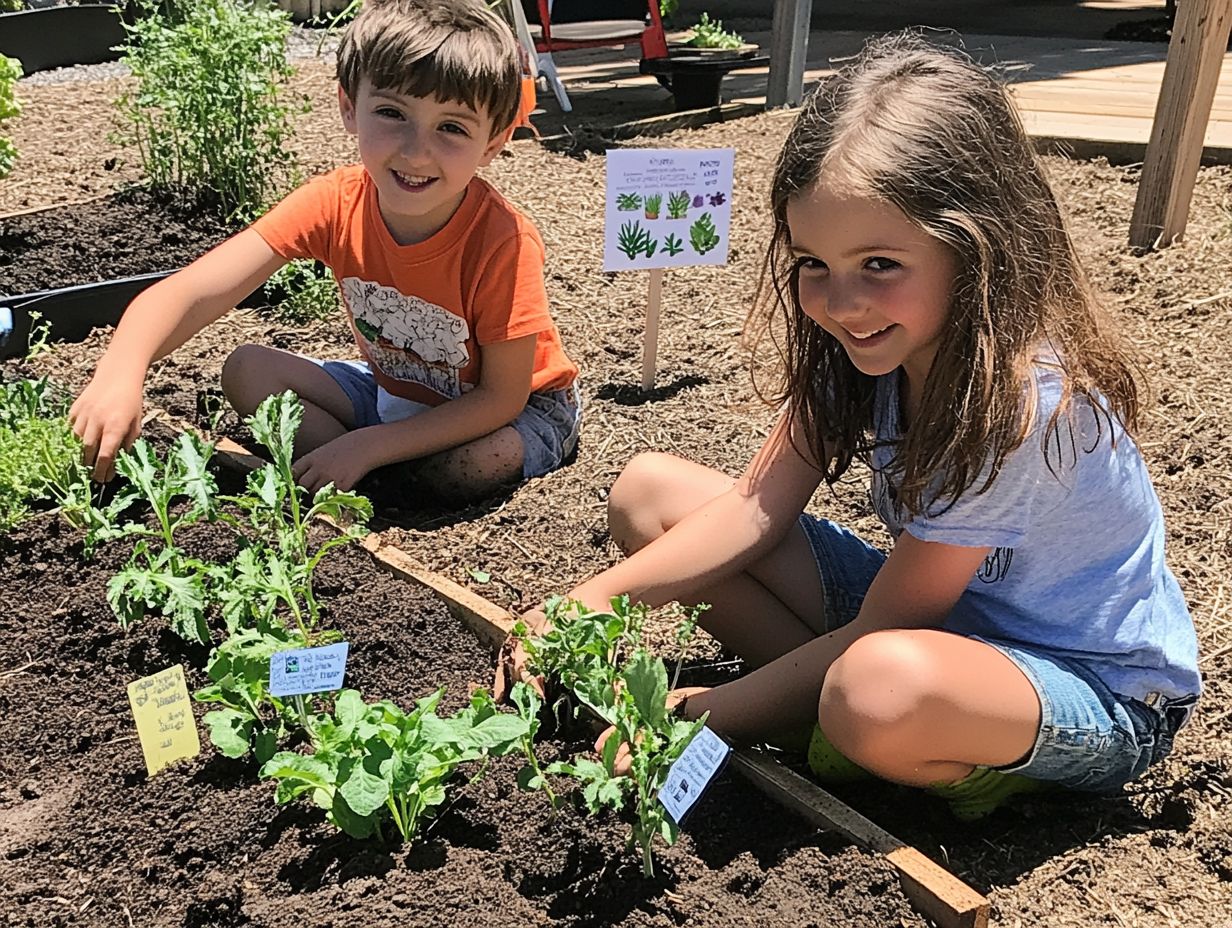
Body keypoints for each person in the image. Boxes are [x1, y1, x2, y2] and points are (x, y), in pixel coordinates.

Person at [513, 33, 1200, 820]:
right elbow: (752, 509)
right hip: (932, 627)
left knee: (872, 691)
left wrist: (694, 715)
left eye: (879, 265)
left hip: (1088, 685)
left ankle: (972, 766)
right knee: (649, 495)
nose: (841, 304)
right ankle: (838, 709)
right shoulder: (866, 348)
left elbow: (890, 625)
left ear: (976, 246)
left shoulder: (1022, 404)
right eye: (813, 264)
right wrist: (576, 611)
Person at [70, 0, 579, 502]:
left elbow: (500, 397)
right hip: (398, 390)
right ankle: (370, 476)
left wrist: (368, 444)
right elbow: (195, 290)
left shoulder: (502, 241)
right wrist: (121, 372)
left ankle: (372, 469)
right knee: (248, 371)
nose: (415, 150)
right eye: (391, 113)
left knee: (470, 466)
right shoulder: (334, 202)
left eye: (451, 127)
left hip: (515, 408)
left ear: (493, 142)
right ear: (348, 109)